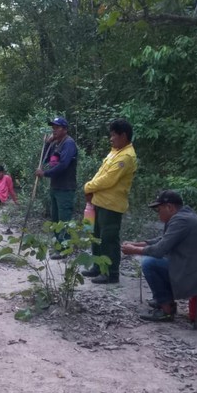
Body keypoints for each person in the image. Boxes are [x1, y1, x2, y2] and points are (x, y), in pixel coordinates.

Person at [122, 190, 197, 321]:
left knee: (149, 263)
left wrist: (133, 250)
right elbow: (164, 239)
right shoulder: (184, 216)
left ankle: (166, 310)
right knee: (155, 260)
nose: (158, 213)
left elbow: (159, 250)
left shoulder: (181, 220)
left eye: (158, 209)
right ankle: (164, 300)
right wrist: (137, 244)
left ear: (169, 207)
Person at [81, 118, 137, 284]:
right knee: (96, 236)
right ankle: (97, 267)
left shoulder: (126, 156)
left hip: (112, 205)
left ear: (123, 136)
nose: (111, 138)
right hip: (99, 202)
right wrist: (91, 188)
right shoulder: (115, 151)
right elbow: (101, 172)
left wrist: (88, 187)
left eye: (113, 135)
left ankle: (111, 273)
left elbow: (108, 179)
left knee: (108, 239)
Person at [35, 116, 78, 250]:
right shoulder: (56, 144)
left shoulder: (69, 143)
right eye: (53, 128)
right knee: (55, 219)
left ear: (65, 129)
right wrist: (47, 144)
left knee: (63, 220)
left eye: (57, 127)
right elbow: (45, 160)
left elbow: (63, 165)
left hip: (65, 188)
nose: (54, 130)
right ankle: (59, 246)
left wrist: (45, 174)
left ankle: (65, 249)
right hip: (55, 186)